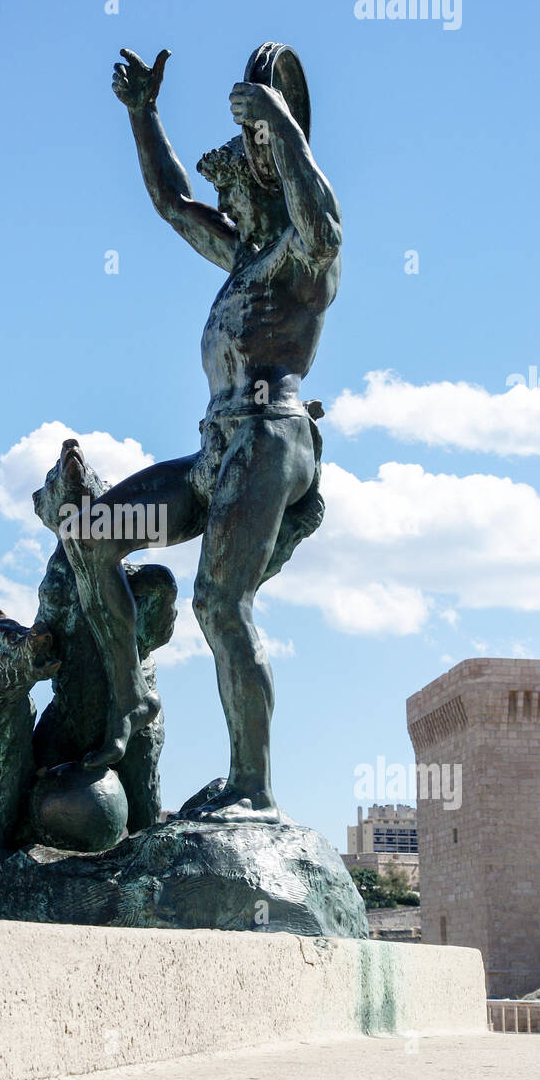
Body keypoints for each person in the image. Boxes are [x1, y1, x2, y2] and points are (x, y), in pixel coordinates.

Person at [61, 45, 342, 823]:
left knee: (220, 603)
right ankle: (128, 705)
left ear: (266, 182)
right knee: (90, 535)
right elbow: (171, 203)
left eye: (235, 191)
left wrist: (279, 121)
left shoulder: (303, 258)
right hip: (216, 451)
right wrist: (142, 113)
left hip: (272, 441)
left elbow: (320, 216)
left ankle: (253, 783)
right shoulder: (242, 259)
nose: (224, 208)